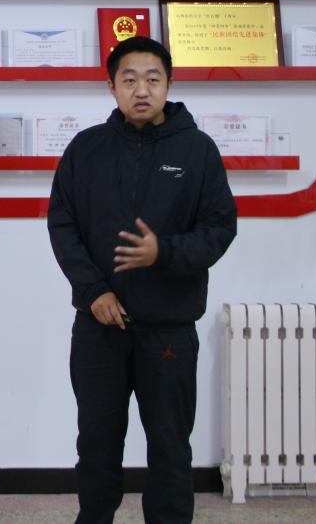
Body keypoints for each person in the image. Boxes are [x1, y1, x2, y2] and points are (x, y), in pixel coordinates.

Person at [48, 35, 237, 524]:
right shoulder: (86, 148)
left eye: (153, 79)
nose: (141, 89)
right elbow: (63, 225)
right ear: (111, 87)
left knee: (170, 447)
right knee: (96, 443)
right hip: (99, 327)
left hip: (169, 329)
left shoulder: (198, 150)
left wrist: (164, 252)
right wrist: (94, 291)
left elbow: (220, 228)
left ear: (169, 84)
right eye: (129, 79)